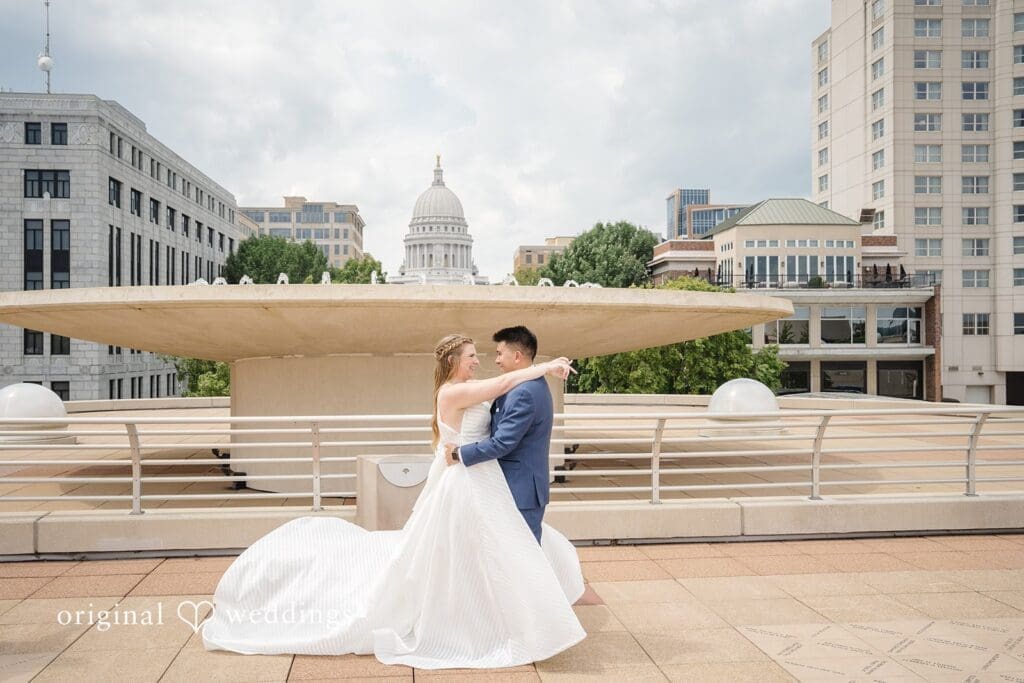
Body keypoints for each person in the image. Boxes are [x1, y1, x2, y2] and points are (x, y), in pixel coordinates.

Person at [201, 333, 586, 669]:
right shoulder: (453, 391)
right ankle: (468, 616)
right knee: (458, 549)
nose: (478, 360)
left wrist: (541, 369)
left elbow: (503, 383)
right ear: (454, 361)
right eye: (471, 355)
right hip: (464, 478)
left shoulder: (469, 385)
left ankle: (490, 609)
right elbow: (505, 381)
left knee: (474, 548)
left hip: (478, 477)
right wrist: (547, 366)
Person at [442, 326, 553, 543]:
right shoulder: (523, 385)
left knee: (523, 552)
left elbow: (503, 442)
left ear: (518, 356)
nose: (496, 360)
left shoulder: (524, 392)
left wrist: (459, 453)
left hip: (520, 489)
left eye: (500, 353)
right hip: (506, 484)